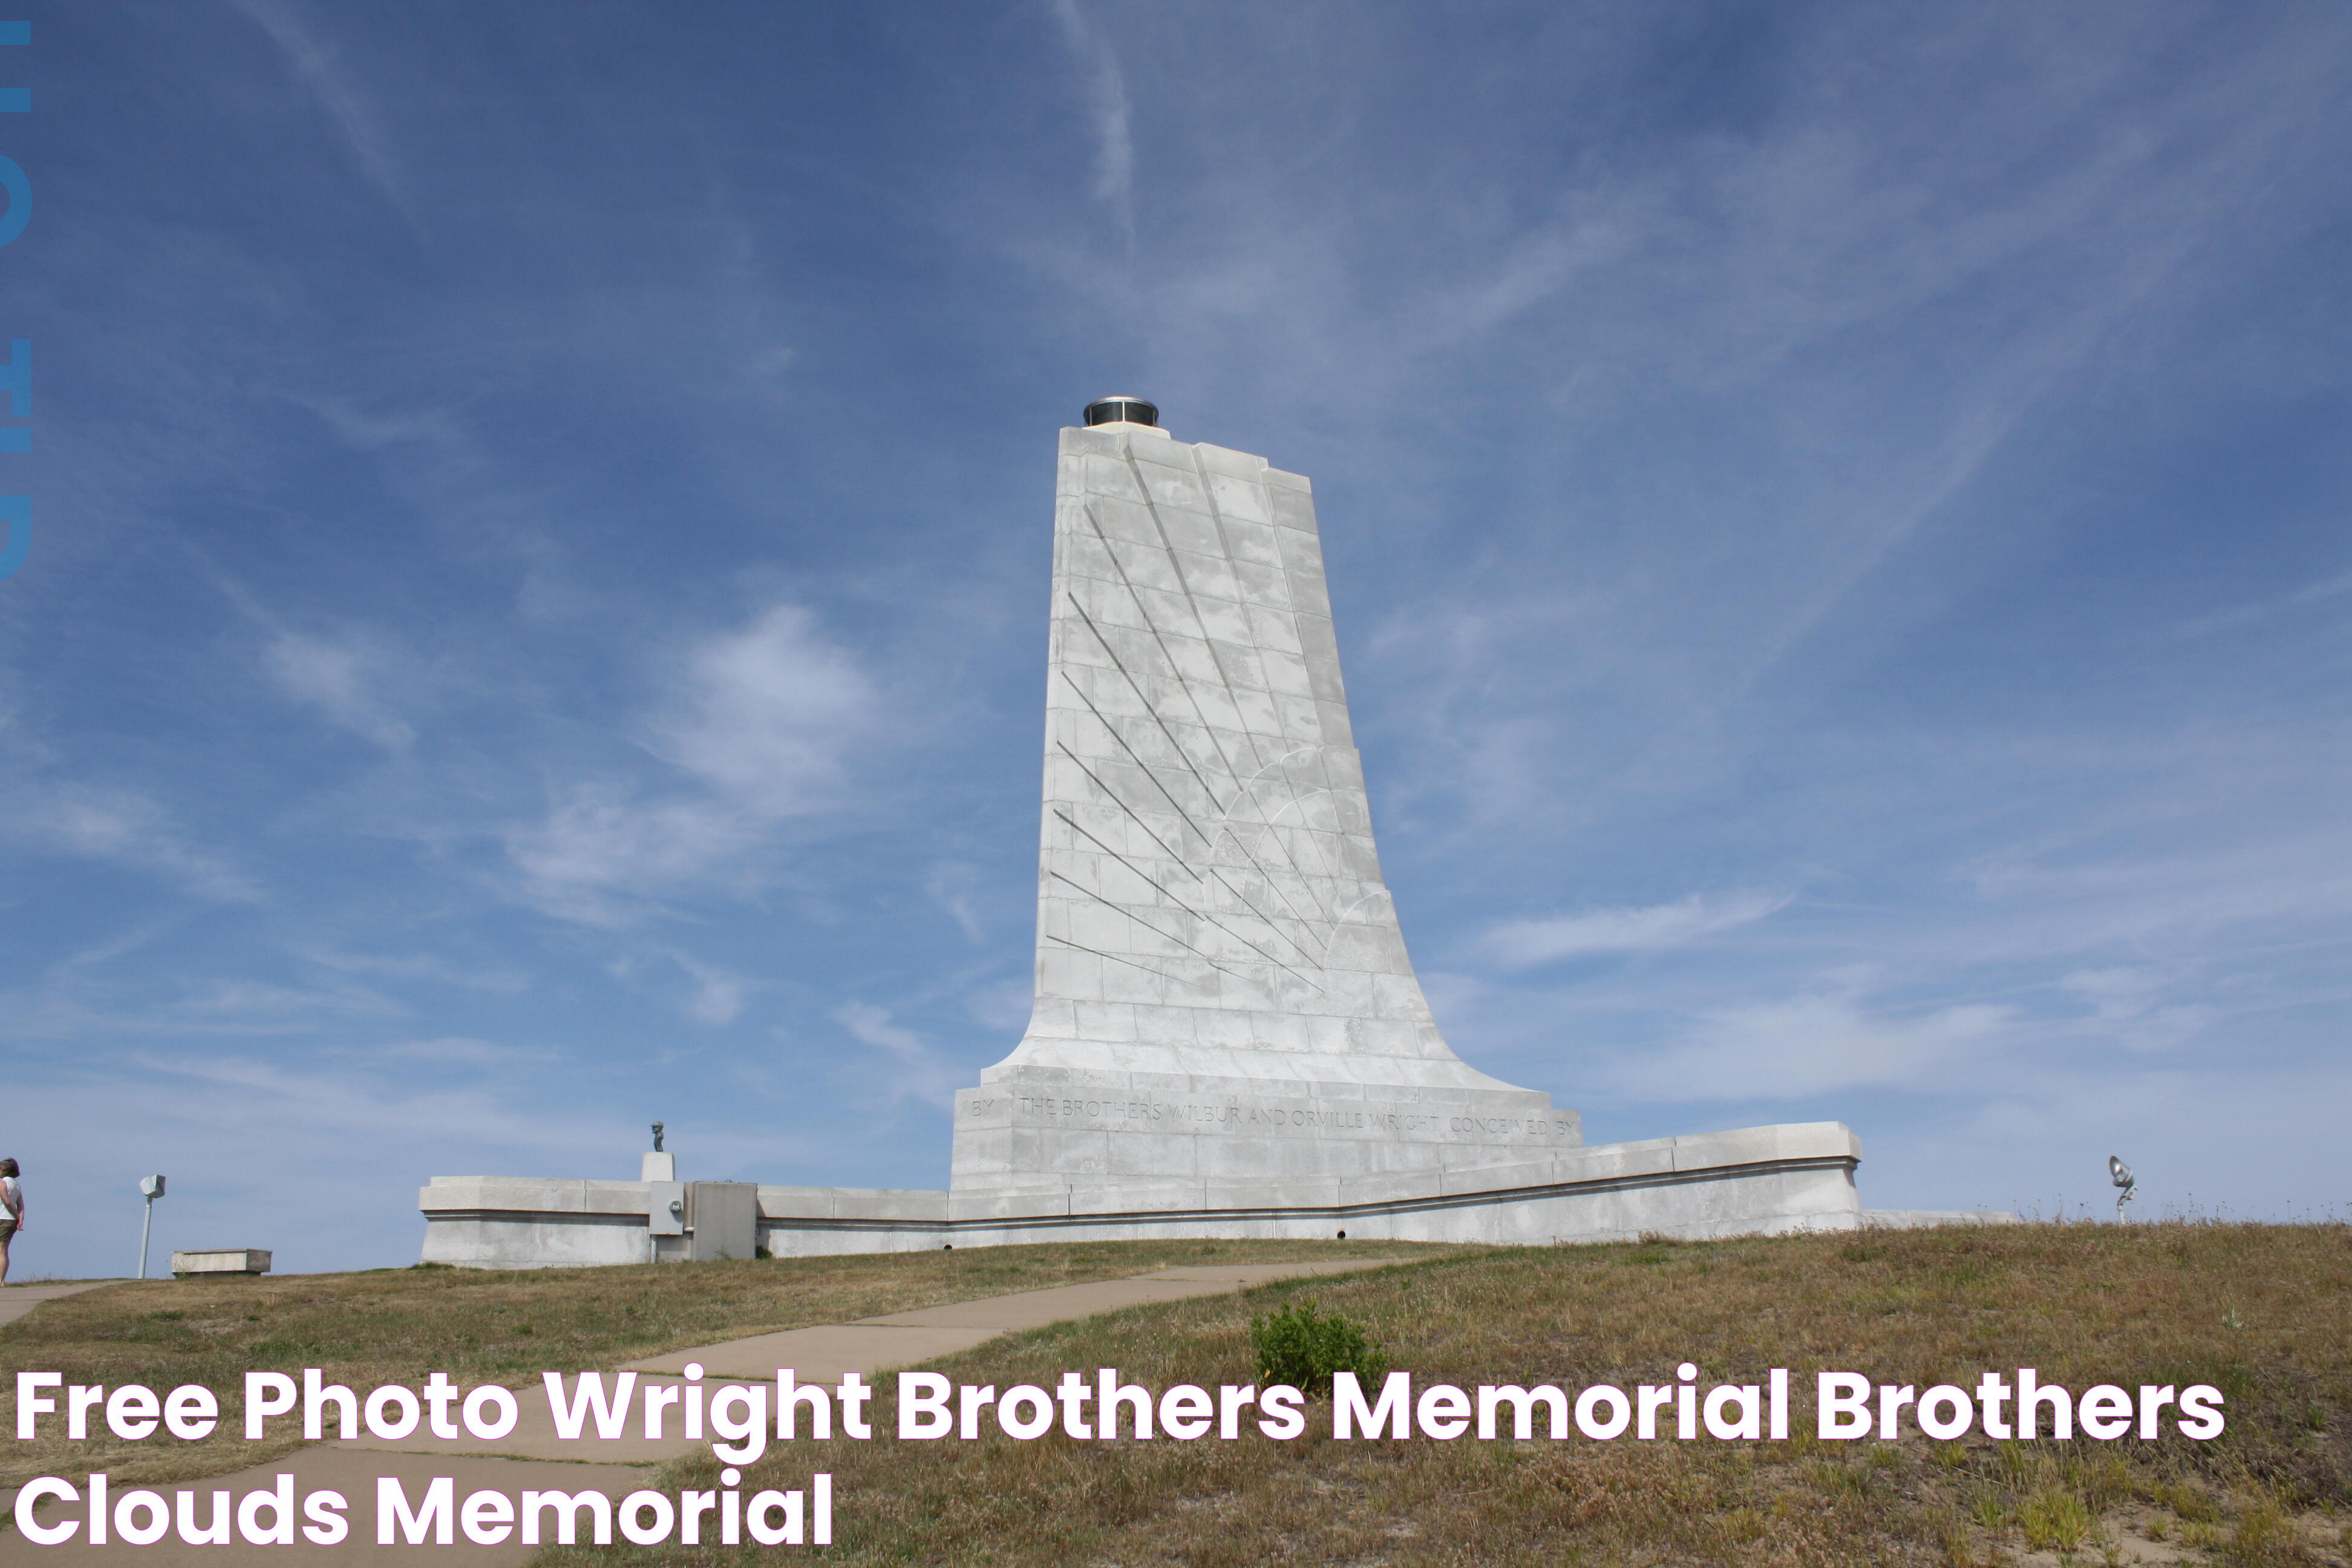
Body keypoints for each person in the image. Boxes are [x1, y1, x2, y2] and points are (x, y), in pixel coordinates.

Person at [0, 1158, 22, 1285]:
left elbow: (7, 1201)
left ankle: (1, 1281)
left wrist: (16, 1215)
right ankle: (2, 1280)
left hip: (3, 1218)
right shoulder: (16, 1185)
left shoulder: (3, 1183)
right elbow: (21, 1205)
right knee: (4, 1251)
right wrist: (20, 1218)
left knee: (1, 1251)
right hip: (11, 1221)